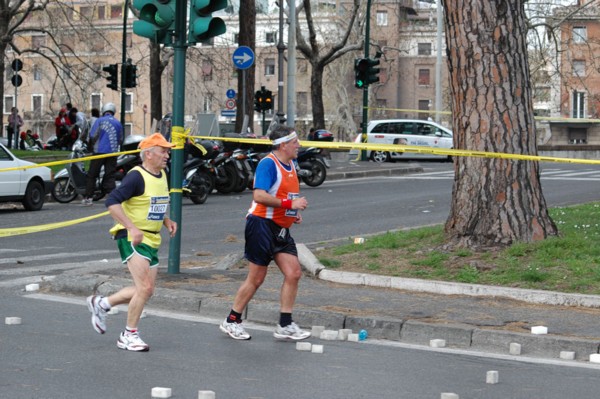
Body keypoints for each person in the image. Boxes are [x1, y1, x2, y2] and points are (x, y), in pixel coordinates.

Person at [86, 133, 177, 352]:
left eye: (167, 151)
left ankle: (102, 304)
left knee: (145, 289)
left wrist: (165, 220)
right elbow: (112, 202)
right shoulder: (135, 177)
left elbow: (152, 202)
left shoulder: (162, 174)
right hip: (132, 237)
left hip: (151, 238)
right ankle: (128, 335)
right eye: (163, 151)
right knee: (144, 287)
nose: (167, 155)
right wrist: (131, 227)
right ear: (148, 154)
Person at [219, 125, 310, 341]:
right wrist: (290, 203)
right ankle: (231, 320)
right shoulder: (268, 164)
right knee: (257, 278)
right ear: (283, 144)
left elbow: (283, 193)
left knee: (294, 273)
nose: (299, 145)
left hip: (280, 228)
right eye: (295, 141)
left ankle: (285, 325)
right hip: (260, 225)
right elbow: (259, 196)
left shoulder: (292, 164)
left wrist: (292, 212)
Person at [82, 103, 123, 206]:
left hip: (99, 152)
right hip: (112, 153)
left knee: (92, 174)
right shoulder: (118, 123)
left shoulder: (99, 121)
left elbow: (92, 135)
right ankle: (112, 198)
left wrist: (90, 146)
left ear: (104, 111)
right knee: (110, 175)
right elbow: (121, 139)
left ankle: (88, 198)